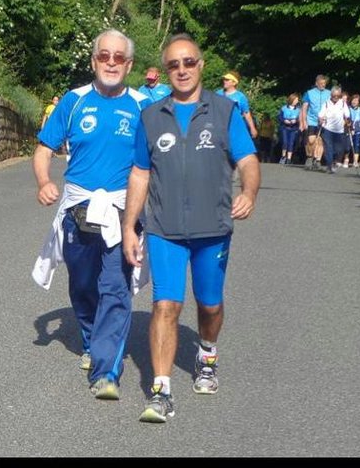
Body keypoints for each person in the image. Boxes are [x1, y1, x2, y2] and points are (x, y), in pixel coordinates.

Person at [121, 33, 260, 423]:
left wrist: (249, 192)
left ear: (201, 65)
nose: (181, 70)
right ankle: (161, 390)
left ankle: (207, 353)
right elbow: (140, 173)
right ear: (166, 71)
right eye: (173, 65)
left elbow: (248, 160)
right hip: (164, 228)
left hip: (212, 228)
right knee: (165, 305)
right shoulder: (151, 116)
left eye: (188, 62)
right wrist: (129, 225)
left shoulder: (225, 111)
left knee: (209, 304)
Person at [31, 28, 150, 402]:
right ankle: (90, 339)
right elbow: (44, 149)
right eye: (104, 56)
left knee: (114, 288)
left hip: (122, 213)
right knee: (82, 285)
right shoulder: (74, 100)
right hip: (77, 210)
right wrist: (43, 181)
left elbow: (160, 157)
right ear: (93, 60)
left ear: (129, 64)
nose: (111, 62)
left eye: (119, 57)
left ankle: (106, 371)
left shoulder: (144, 105)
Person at [299, 74, 331, 170]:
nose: (323, 85)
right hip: (312, 120)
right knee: (311, 140)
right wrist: (303, 121)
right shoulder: (309, 93)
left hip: (324, 121)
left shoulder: (329, 93)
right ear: (316, 83)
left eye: (324, 83)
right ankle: (309, 157)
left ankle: (317, 160)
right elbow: (304, 108)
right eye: (321, 83)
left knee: (320, 141)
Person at [318, 85, 351, 174]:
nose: (336, 97)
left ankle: (333, 162)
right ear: (331, 95)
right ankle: (329, 166)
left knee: (338, 150)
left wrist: (348, 121)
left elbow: (347, 115)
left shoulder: (343, 103)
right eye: (334, 95)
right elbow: (320, 114)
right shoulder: (326, 103)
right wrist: (321, 119)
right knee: (328, 148)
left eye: (338, 96)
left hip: (339, 130)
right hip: (327, 129)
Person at [217, 70, 258, 140]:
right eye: (224, 79)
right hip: (219, 127)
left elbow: (246, 113)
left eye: (227, 80)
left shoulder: (240, 97)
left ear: (234, 82)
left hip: (234, 127)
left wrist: (252, 128)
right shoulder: (218, 93)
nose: (224, 81)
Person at [277, 93, 301, 165]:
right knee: (285, 142)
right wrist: (284, 120)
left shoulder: (298, 110)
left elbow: (300, 118)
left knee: (291, 143)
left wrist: (296, 121)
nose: (297, 101)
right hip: (285, 127)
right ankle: (283, 156)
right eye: (296, 99)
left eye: (297, 100)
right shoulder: (284, 108)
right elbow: (279, 117)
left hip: (293, 128)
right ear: (292, 99)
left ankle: (289, 158)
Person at [346, 93, 360, 168]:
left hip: (358, 131)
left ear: (358, 102)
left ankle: (355, 161)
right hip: (349, 130)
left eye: (356, 100)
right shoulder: (347, 109)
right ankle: (346, 160)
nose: (354, 102)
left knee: (356, 145)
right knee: (348, 146)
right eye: (353, 100)